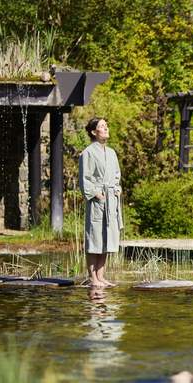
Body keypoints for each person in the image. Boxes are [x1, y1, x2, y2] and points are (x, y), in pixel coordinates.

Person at [79, 117, 123, 288]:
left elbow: (117, 175)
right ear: (93, 132)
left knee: (107, 238)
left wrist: (117, 189)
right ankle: (92, 277)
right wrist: (96, 194)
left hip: (111, 199)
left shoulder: (111, 153)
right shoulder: (88, 153)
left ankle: (101, 275)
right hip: (98, 200)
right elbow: (85, 179)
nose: (106, 128)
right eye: (102, 126)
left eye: (106, 125)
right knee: (95, 237)